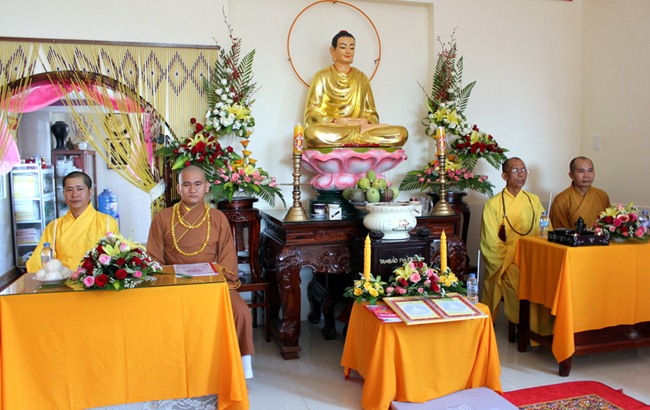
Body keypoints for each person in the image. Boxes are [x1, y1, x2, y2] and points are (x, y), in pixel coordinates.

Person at [146, 165, 254, 379]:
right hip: (175, 285)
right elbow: (154, 258)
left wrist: (213, 280)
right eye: (186, 185)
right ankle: (171, 368)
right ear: (179, 188)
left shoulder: (218, 217)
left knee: (241, 311)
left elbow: (227, 256)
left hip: (213, 282)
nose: (192, 189)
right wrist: (171, 278)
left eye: (197, 184)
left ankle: (243, 368)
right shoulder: (162, 218)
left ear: (206, 187)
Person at [303, 30, 408, 148]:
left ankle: (354, 138)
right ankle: (360, 139)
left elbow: (372, 115)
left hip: (360, 128)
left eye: (352, 48)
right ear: (333, 51)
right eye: (343, 47)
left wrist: (365, 121)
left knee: (401, 133)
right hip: (336, 129)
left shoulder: (362, 78)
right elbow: (312, 115)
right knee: (312, 134)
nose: (348, 51)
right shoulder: (321, 77)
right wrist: (336, 121)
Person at [479, 157, 548, 326]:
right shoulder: (492, 204)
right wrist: (512, 258)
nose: (521, 174)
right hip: (507, 261)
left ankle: (543, 330)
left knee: (548, 280)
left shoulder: (534, 200)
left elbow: (546, 232)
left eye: (524, 170)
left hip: (532, 257)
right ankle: (526, 328)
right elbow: (490, 243)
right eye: (516, 170)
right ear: (505, 176)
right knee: (518, 281)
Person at [27, 171, 119, 272]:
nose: (75, 194)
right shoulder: (54, 227)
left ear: (90, 192)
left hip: (96, 280)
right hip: (62, 280)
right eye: (69, 190)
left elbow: (115, 260)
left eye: (80, 189)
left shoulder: (107, 223)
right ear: (64, 194)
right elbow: (38, 262)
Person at [550, 156, 610, 230]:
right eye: (581, 171)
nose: (587, 175)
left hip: (600, 237)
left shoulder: (602, 195)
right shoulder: (561, 200)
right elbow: (559, 231)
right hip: (572, 237)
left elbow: (609, 226)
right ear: (571, 175)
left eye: (590, 171)